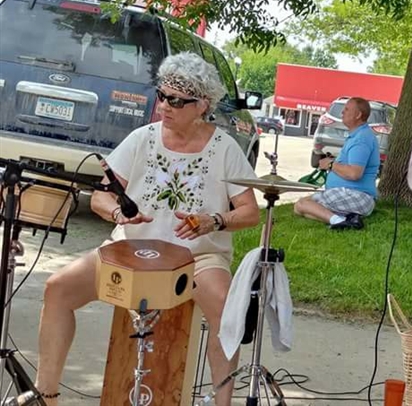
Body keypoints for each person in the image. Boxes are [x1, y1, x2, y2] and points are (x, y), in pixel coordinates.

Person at [34, 52, 260, 406]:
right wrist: (117, 214)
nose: (163, 107)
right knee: (57, 289)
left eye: (175, 100)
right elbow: (100, 197)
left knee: (225, 309)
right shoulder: (143, 138)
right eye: (161, 95)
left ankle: (223, 403)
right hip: (131, 250)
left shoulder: (225, 148)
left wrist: (213, 221)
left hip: (197, 258)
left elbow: (250, 212)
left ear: (202, 105)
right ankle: (45, 394)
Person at [294, 97, 379, 230]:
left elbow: (354, 173)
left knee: (302, 204)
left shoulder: (361, 139)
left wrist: (331, 164)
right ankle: (344, 220)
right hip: (349, 194)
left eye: (346, 109)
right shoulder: (358, 135)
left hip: (357, 195)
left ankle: (339, 221)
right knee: (301, 208)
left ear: (358, 115)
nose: (342, 113)